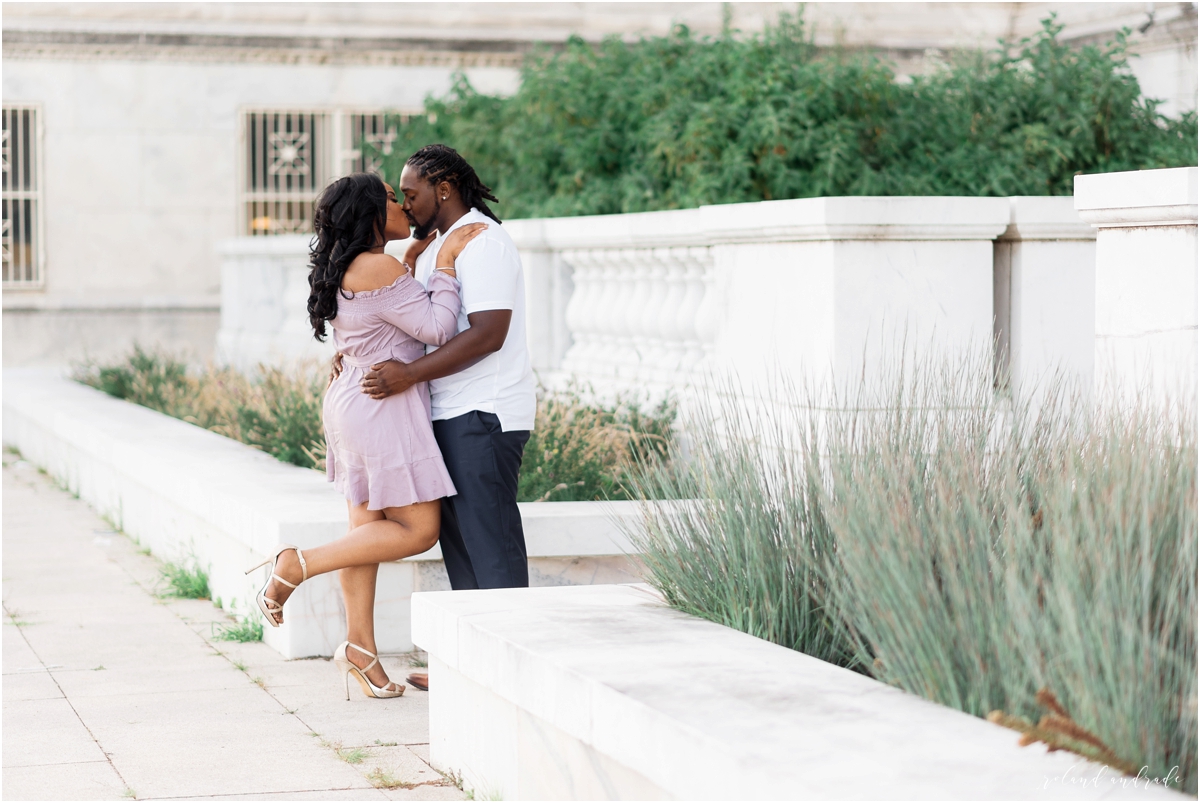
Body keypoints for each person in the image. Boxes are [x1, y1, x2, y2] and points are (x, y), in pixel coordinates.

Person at [247, 172, 486, 700]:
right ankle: (297, 564)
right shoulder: (378, 266)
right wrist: (443, 265)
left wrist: (414, 257)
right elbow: (437, 329)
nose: (402, 205)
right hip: (384, 406)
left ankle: (360, 649)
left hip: (353, 399)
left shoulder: (353, 266)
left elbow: (375, 319)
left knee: (366, 532)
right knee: (419, 528)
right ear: (371, 214)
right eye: (390, 199)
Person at [337, 145, 537, 692]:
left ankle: (507, 676)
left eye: (413, 193)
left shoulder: (483, 241)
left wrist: (410, 375)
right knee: (460, 546)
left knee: (490, 546)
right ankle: (471, 664)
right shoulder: (431, 250)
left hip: (484, 412)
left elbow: (488, 333)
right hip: (441, 414)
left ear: (444, 187)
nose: (405, 203)